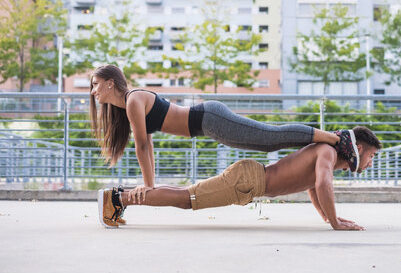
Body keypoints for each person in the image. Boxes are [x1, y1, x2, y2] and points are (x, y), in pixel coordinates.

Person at [90, 64, 360, 201]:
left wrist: (149, 186)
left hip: (209, 118)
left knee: (270, 137)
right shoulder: (130, 106)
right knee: (269, 142)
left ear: (111, 83)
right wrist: (150, 183)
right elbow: (147, 148)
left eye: (96, 85)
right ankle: (332, 139)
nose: (93, 91)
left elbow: (143, 148)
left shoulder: (135, 100)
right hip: (208, 126)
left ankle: (337, 138)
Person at [98, 126, 381, 230]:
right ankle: (117, 199)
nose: (370, 163)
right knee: (186, 199)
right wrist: (334, 222)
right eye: (371, 156)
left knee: (187, 194)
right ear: (358, 149)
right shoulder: (327, 152)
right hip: (246, 180)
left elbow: (313, 189)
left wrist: (326, 217)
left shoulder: (326, 156)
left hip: (248, 180)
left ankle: (119, 197)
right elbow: (322, 185)